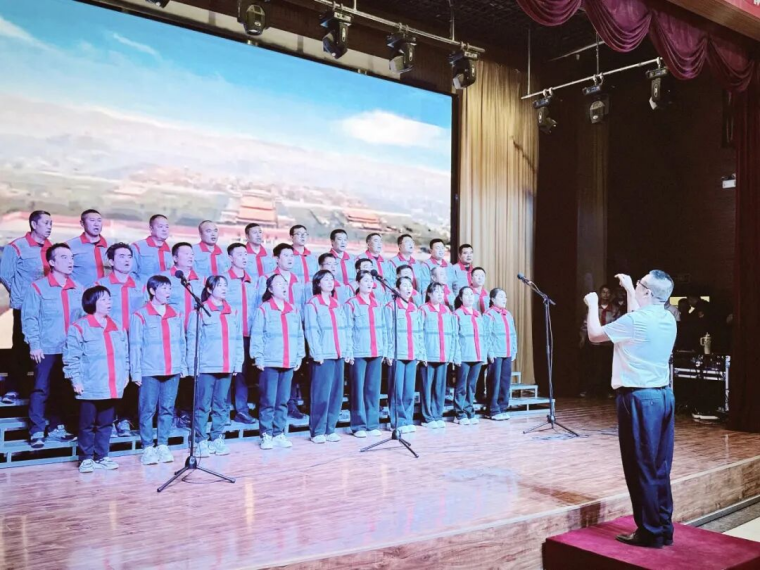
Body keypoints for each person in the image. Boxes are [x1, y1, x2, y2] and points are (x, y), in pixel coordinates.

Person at [584, 271, 677, 549]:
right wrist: (627, 288)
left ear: (647, 292)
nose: (636, 285)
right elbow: (638, 316)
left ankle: (649, 532)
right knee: (659, 466)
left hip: (639, 398)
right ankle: (663, 526)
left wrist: (592, 304)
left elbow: (594, 335)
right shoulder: (667, 318)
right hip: (663, 396)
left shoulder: (635, 321)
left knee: (640, 466)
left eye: (639, 283)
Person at [22, 243, 84, 448]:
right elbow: (30, 317)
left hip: (70, 350)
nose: (70, 261)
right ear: (51, 262)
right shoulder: (38, 287)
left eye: (71, 257)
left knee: (63, 390)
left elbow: (83, 320)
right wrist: (34, 344)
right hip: (46, 349)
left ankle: (57, 427)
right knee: (41, 389)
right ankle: (37, 430)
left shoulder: (78, 288)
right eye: (64, 257)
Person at [64, 286, 128, 473]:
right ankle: (86, 458)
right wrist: (75, 380)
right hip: (89, 384)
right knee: (87, 424)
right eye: (103, 299)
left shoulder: (117, 326)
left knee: (106, 423)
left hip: (111, 384)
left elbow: (124, 355)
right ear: (92, 303)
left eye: (109, 299)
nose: (109, 302)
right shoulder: (79, 327)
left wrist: (124, 375)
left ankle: (102, 456)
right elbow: (71, 357)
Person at [129, 275, 187, 466]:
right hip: (149, 370)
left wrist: (182, 365)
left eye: (169, 288)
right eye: (163, 288)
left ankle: (163, 444)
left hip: (172, 369)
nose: (168, 292)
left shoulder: (176, 314)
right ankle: (147, 447)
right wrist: (136, 371)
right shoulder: (140, 315)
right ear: (152, 291)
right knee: (147, 409)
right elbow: (135, 345)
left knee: (167, 408)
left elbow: (181, 341)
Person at [187, 275, 243, 458]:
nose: (224, 288)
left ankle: (216, 437)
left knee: (221, 405)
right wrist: (192, 366)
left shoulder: (233, 312)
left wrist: (237, 363)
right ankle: (200, 440)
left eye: (225, 285)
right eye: (219, 285)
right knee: (202, 405)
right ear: (209, 289)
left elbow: (238, 340)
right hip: (206, 367)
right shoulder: (199, 311)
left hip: (226, 365)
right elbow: (193, 341)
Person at [0, 210, 52, 405]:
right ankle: (13, 388)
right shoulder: (16, 247)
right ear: (34, 225)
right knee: (21, 347)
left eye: (51, 223)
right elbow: (5, 274)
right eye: (46, 223)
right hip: (24, 306)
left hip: (46, 307)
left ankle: (38, 389)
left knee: (43, 348)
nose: (49, 227)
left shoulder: (51, 247)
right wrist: (20, 295)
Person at [251, 274, 306, 450]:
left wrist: (299, 355)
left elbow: (299, 335)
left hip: (288, 360)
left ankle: (278, 433)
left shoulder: (293, 310)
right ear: (270, 289)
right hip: (270, 361)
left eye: (284, 283)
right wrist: (258, 356)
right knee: (268, 400)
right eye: (279, 283)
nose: (283, 286)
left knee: (283, 400)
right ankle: (266, 434)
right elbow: (257, 334)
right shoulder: (264, 309)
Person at [96, 243, 145, 437]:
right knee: (111, 380)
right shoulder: (100, 286)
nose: (126, 260)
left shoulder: (141, 287)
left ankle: (125, 419)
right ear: (111, 261)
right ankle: (109, 421)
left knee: (133, 381)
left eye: (129, 256)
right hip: (110, 342)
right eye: (122, 256)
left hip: (135, 341)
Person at [304, 270, 351, 443]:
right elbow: (311, 330)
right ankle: (317, 431)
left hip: (339, 354)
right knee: (321, 394)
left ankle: (330, 428)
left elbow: (345, 329)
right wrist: (317, 352)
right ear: (318, 283)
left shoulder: (337, 304)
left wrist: (346, 350)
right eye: (326, 279)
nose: (330, 282)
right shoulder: (313, 304)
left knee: (336, 394)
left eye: (332, 279)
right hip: (323, 355)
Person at [344, 270, 387, 438]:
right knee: (358, 389)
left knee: (373, 389)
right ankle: (358, 425)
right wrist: (349, 350)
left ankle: (372, 424)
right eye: (366, 280)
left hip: (376, 352)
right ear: (358, 283)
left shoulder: (378, 304)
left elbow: (383, 328)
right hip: (358, 352)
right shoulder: (351, 304)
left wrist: (383, 349)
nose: (369, 284)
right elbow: (347, 329)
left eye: (371, 281)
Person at [383, 275, 425, 433]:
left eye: (410, 286)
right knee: (397, 390)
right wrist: (388, 352)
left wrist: (419, 352)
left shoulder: (414, 308)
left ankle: (407, 419)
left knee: (408, 390)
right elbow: (387, 331)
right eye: (405, 285)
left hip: (411, 353)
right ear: (397, 288)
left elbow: (419, 332)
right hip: (397, 353)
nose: (408, 288)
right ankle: (397, 421)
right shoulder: (391, 307)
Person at [419, 282, 457, 428]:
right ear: (429, 294)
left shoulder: (446, 310)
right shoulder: (423, 309)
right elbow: (419, 333)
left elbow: (451, 333)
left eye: (442, 292)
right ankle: (427, 418)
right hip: (428, 355)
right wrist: (421, 354)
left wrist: (450, 354)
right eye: (436, 291)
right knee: (427, 387)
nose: (440, 294)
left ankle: (437, 415)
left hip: (443, 354)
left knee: (440, 387)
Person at [225, 243, 256, 424]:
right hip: (229, 335)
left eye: (246, 254)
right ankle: (223, 411)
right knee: (227, 373)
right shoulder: (224, 280)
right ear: (230, 258)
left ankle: (241, 410)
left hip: (249, 335)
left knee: (243, 374)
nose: (244, 257)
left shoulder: (253, 281)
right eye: (239, 254)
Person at [453, 286, 487, 425]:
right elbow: (455, 336)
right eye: (466, 294)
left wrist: (483, 355)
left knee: (472, 386)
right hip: (464, 356)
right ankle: (459, 414)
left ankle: (469, 411)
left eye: (471, 294)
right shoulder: (457, 314)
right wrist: (456, 356)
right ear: (461, 298)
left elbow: (483, 336)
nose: (470, 297)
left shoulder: (478, 314)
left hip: (477, 355)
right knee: (461, 386)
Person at [579, 284, 621, 398]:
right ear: (600, 294)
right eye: (603, 292)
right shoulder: (593, 307)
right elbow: (585, 323)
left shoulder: (615, 309)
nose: (606, 295)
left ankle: (606, 391)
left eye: (608, 292)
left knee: (606, 368)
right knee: (592, 367)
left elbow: (617, 324)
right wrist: (582, 337)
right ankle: (590, 390)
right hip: (594, 343)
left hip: (608, 343)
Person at [483, 288, 517, 421]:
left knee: (505, 381)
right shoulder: (489, 314)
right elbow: (486, 335)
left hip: (507, 352)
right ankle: (492, 410)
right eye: (501, 296)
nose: (504, 299)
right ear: (492, 299)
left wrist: (514, 350)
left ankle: (502, 408)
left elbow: (513, 334)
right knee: (494, 381)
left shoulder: (508, 314)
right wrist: (490, 352)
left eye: (505, 297)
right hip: (496, 353)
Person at [162, 242, 205, 330]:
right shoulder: (163, 278)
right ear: (175, 258)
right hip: (172, 328)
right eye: (186, 254)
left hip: (196, 329)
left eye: (192, 254)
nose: (190, 257)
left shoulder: (201, 279)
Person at [66, 209, 109, 287]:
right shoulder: (69, 246)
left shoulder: (111, 247)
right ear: (82, 223)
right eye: (92, 220)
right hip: (79, 292)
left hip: (105, 292)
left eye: (99, 220)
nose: (96, 224)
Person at [131, 214, 172, 283]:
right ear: (151, 228)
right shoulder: (137, 247)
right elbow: (131, 273)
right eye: (160, 226)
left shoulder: (171, 250)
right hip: (142, 288)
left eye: (167, 227)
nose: (164, 229)